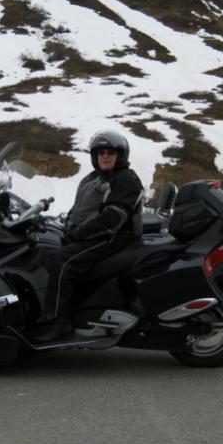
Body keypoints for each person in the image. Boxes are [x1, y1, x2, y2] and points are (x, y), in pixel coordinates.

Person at [36, 130, 144, 342]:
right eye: (101, 152)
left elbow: (113, 217)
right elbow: (80, 209)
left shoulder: (125, 179)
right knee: (47, 249)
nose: (104, 156)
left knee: (62, 262)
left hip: (114, 238)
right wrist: (61, 224)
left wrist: (79, 233)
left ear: (120, 155)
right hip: (94, 235)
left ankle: (59, 323)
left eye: (110, 152)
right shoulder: (94, 178)